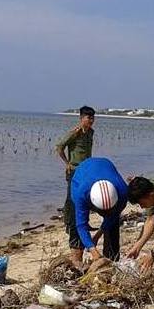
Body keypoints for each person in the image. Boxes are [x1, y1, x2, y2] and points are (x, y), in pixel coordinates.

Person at [68, 157, 128, 270]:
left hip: (105, 166)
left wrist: (97, 236)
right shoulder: (81, 194)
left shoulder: (123, 192)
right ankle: (77, 264)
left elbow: (112, 217)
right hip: (82, 173)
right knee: (74, 224)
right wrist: (93, 250)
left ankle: (111, 262)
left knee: (113, 227)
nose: (105, 214)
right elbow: (81, 225)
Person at [56, 105, 95, 247]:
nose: (90, 120)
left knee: (85, 196)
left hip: (86, 169)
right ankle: (69, 224)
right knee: (71, 198)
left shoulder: (91, 132)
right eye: (88, 117)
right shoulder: (74, 133)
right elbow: (59, 146)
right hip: (74, 169)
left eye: (92, 118)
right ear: (81, 118)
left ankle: (83, 222)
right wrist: (67, 163)